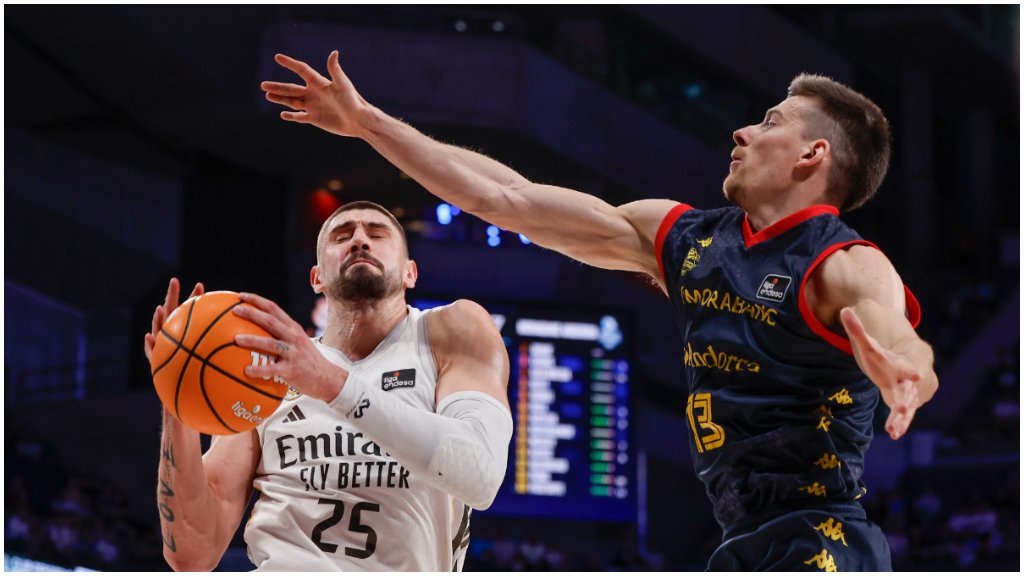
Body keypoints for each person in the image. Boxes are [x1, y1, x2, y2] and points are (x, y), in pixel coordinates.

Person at [260, 51, 940, 571]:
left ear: (813, 156)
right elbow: (508, 199)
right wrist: (367, 124)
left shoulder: (841, 260)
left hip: (822, 538)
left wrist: (905, 369)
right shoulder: (688, 237)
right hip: (739, 538)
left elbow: (891, 329)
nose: (740, 131)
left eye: (769, 123)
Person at [143, 201, 513, 571]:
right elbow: (192, 553)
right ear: (317, 278)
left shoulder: (451, 331)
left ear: (410, 273)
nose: (359, 240)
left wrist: (332, 384)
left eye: (376, 232)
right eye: (342, 236)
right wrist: (180, 393)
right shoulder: (266, 370)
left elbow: (480, 476)